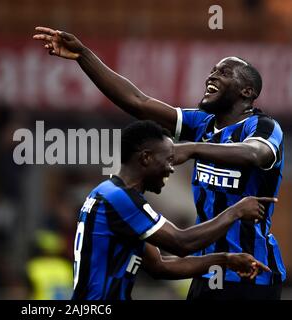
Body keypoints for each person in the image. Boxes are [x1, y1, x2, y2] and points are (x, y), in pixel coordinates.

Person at [33, 27, 285, 300]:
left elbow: (257, 154)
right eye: (212, 70)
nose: (212, 76)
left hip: (252, 272)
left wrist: (191, 148)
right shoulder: (201, 123)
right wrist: (84, 56)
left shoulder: (263, 126)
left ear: (247, 92)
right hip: (208, 273)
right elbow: (138, 102)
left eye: (224, 73)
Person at [71, 120, 271, 300]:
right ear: (146, 158)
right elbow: (181, 242)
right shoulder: (119, 198)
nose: (171, 168)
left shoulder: (110, 194)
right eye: (168, 160)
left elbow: (160, 266)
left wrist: (225, 260)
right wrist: (235, 211)